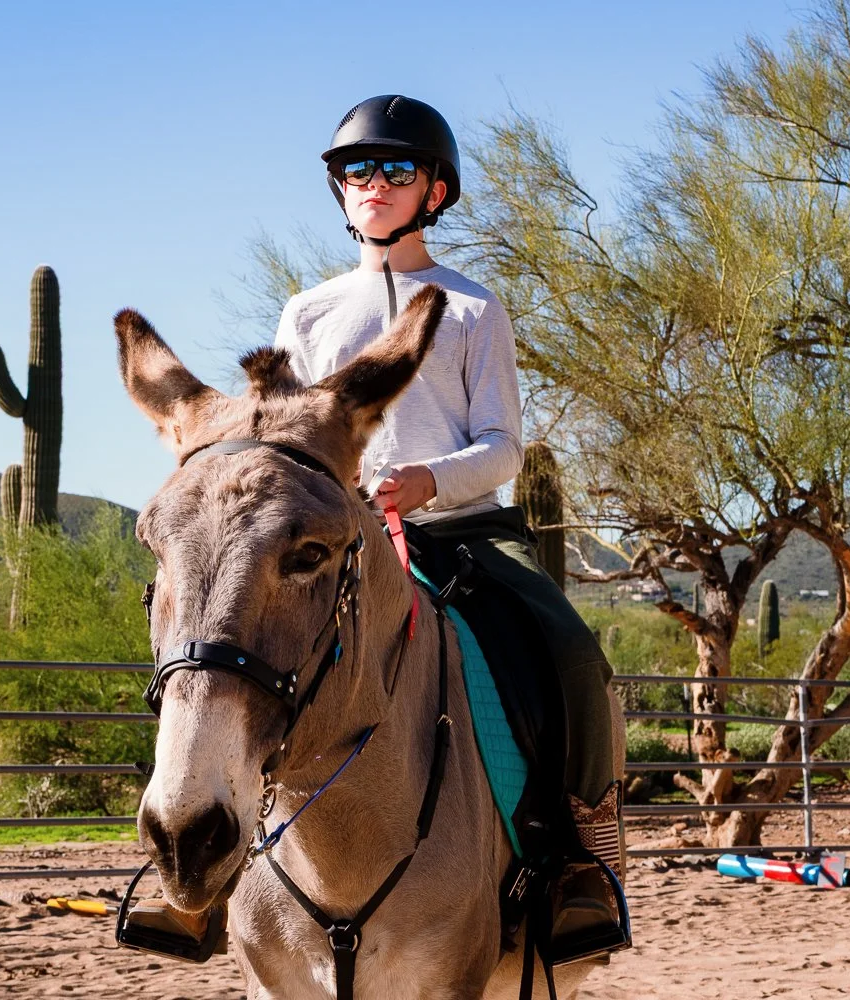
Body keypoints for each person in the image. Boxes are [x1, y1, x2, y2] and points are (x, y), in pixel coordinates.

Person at [271, 94, 627, 963]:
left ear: (434, 192)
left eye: (397, 169)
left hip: (466, 535)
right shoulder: (307, 314)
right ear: (340, 188)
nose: (375, 182)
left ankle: (581, 863)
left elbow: (504, 446)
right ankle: (201, 877)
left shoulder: (472, 308)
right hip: (343, 542)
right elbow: (287, 443)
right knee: (228, 651)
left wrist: (429, 480)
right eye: (357, 169)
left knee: (576, 659)